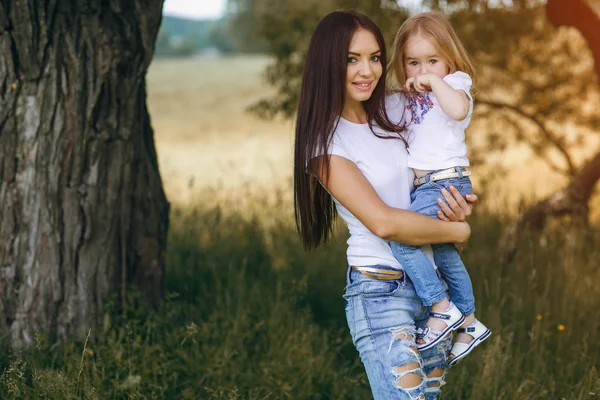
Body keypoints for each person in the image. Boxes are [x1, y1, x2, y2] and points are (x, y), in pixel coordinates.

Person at [294, 10, 477, 399]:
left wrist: (456, 205)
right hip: (380, 293)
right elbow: (384, 224)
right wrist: (459, 229)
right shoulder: (325, 144)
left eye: (375, 57)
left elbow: (442, 154)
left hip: (431, 286)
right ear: (328, 62)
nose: (367, 71)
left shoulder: (399, 108)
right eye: (351, 58)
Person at [386, 12, 491, 365]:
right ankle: (470, 322)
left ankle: (441, 307)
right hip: (426, 186)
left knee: (402, 237)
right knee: (444, 254)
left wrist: (434, 78)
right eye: (413, 63)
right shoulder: (407, 94)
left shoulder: (455, 83)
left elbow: (459, 110)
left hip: (445, 181)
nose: (422, 70)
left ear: (449, 58)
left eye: (432, 60)